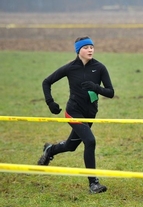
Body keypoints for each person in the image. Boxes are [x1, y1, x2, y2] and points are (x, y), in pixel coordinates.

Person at [38, 36, 114, 194]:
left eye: (92, 47)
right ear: (79, 50)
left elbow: (110, 92)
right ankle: (93, 184)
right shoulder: (70, 68)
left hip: (90, 113)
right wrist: (50, 102)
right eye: (86, 47)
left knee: (71, 146)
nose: (90, 50)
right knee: (90, 141)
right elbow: (47, 82)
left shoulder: (100, 68)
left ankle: (50, 150)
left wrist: (96, 87)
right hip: (73, 111)